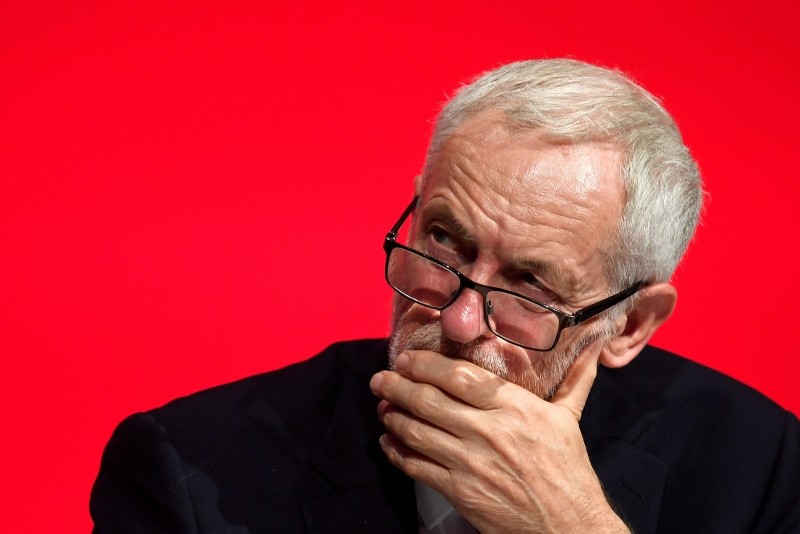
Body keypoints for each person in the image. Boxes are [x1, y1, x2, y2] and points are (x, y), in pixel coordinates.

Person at [90, 59, 800, 533]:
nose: (458, 320)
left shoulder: (760, 467)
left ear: (630, 324)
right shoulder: (188, 471)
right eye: (443, 244)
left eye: (530, 285)